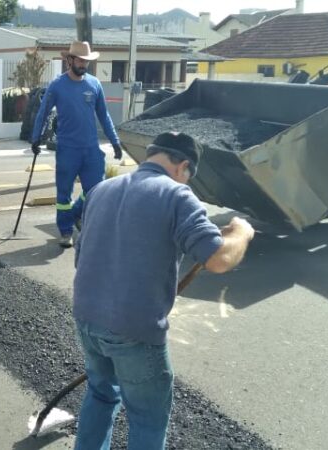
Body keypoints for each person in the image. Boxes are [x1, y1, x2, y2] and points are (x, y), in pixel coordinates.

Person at [72, 132, 255, 450]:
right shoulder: (177, 196)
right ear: (183, 166)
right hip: (135, 331)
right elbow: (219, 259)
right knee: (147, 418)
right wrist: (242, 232)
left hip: (87, 318)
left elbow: (82, 257)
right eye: (188, 177)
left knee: (101, 395)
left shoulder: (101, 190)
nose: (186, 184)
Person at [31, 41, 123, 248]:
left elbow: (104, 115)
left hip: (91, 149)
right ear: (69, 60)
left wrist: (115, 141)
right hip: (67, 149)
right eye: (80, 60)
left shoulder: (94, 84)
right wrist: (36, 137)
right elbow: (43, 112)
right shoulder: (57, 85)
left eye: (86, 61)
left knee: (95, 190)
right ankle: (65, 231)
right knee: (64, 194)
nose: (84, 64)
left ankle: (76, 213)